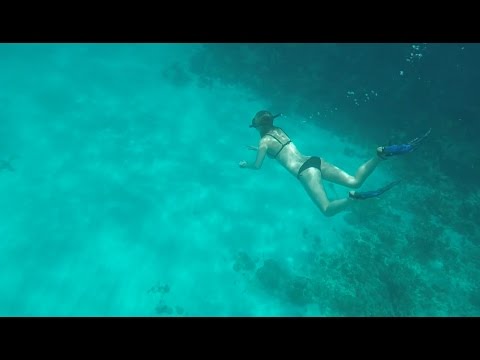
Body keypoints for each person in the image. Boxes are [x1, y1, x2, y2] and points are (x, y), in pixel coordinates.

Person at [239, 110, 430, 217]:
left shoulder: (263, 142)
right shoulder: (279, 130)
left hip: (305, 172)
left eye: (254, 125)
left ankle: (351, 199)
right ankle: (379, 155)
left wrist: (245, 164)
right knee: (355, 181)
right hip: (314, 160)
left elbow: (257, 166)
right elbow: (281, 150)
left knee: (327, 210)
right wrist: (260, 151)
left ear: (259, 126)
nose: (254, 128)